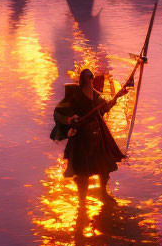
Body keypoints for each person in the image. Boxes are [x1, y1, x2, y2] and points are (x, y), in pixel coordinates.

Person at [51, 68, 128, 203]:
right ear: (83, 80)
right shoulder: (74, 96)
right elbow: (59, 113)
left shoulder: (95, 95)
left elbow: (105, 107)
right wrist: (69, 120)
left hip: (98, 136)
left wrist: (118, 96)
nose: (90, 81)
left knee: (104, 167)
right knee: (82, 171)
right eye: (88, 78)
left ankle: (103, 193)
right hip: (82, 138)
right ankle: (82, 201)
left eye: (91, 78)